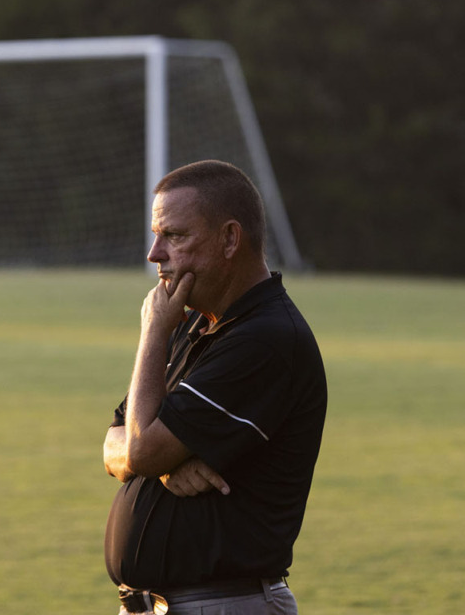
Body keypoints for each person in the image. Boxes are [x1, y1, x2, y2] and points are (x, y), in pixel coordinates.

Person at [103, 160, 328, 614]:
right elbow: (116, 443)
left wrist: (152, 333)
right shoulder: (198, 324)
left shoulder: (265, 340)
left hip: (223, 604)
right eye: (156, 234)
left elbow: (139, 451)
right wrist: (164, 464)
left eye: (175, 236)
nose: (154, 254)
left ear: (229, 239)